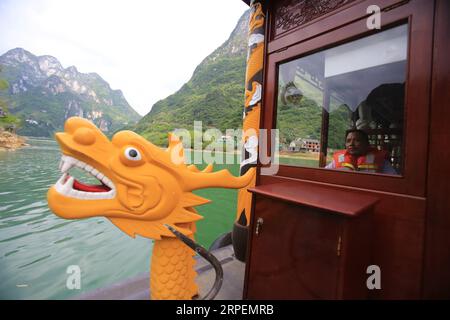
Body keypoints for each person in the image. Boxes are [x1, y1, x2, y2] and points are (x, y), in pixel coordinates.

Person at [325, 129, 397, 174]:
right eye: (348, 141)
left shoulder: (382, 162)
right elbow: (324, 175)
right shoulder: (338, 160)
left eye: (357, 140)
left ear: (367, 144)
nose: (351, 144)